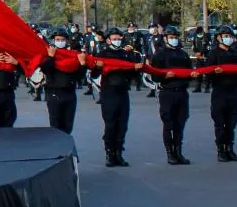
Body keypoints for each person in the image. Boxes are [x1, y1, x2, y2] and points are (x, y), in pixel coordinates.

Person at [91, 27, 143, 167]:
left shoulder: (125, 54)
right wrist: (97, 67)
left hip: (123, 92)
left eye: (119, 39)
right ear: (108, 40)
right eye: (114, 39)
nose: (117, 41)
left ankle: (119, 152)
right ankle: (109, 153)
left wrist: (137, 69)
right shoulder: (102, 54)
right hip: (108, 92)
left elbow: (132, 74)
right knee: (110, 124)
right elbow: (93, 75)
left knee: (122, 124)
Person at [147, 25, 192, 165]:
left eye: (175, 37)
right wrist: (165, 76)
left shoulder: (183, 54)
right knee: (169, 124)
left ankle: (178, 152)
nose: (174, 40)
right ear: (165, 38)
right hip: (167, 92)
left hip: (182, 92)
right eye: (171, 38)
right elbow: (154, 76)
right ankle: (169, 153)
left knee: (180, 124)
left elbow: (189, 72)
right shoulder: (159, 55)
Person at [203, 25, 237, 162]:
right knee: (220, 123)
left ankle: (230, 149)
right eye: (225, 36)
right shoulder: (214, 54)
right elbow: (207, 73)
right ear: (219, 38)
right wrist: (214, 73)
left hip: (234, 92)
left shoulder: (235, 53)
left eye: (229, 36)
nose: (228, 39)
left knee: (231, 122)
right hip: (220, 92)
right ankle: (221, 150)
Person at [41, 29, 86, 134]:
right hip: (54, 93)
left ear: (66, 41)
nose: (60, 41)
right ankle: (56, 148)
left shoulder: (72, 55)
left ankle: (66, 148)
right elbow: (46, 70)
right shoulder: (48, 54)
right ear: (53, 40)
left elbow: (79, 76)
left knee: (68, 125)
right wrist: (50, 57)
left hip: (69, 92)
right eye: (57, 39)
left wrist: (82, 64)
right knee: (55, 124)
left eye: (62, 39)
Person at [190, 26, 209, 93]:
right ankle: (198, 88)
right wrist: (196, 53)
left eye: (200, 33)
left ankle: (207, 88)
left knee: (207, 73)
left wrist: (201, 53)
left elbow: (207, 46)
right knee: (198, 73)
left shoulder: (206, 36)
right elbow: (193, 45)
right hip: (198, 57)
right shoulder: (195, 36)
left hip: (205, 57)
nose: (199, 34)